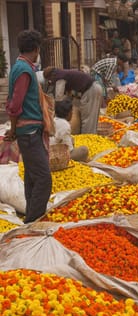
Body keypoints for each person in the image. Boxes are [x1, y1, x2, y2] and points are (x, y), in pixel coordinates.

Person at [4, 29, 52, 224]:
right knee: (43, 178)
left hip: (28, 131)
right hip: (29, 131)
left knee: (33, 176)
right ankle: (32, 220)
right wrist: (14, 130)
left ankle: (30, 216)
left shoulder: (19, 67)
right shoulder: (24, 70)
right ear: (36, 49)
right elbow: (15, 105)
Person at [43, 67, 103, 134]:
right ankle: (89, 136)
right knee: (91, 117)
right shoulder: (63, 73)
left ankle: (87, 139)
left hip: (91, 90)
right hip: (94, 88)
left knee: (88, 119)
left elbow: (59, 97)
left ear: (51, 76)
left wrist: (54, 111)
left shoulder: (59, 77)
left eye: (49, 79)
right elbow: (69, 93)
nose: (50, 81)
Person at [50, 98, 89, 162]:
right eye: (72, 112)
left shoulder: (53, 120)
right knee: (84, 150)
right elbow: (69, 149)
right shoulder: (65, 125)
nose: (72, 114)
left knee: (72, 139)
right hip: (57, 155)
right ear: (68, 114)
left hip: (49, 151)